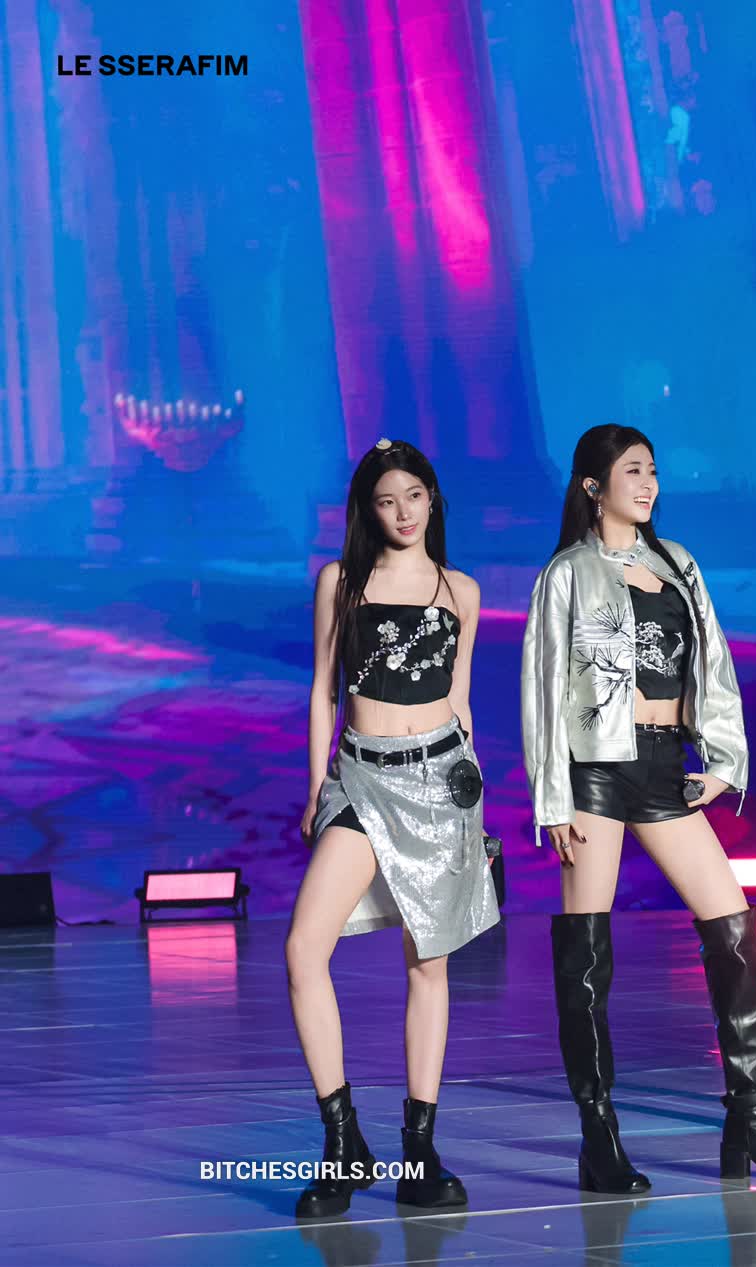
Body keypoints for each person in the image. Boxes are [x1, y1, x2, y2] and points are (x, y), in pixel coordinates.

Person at [523, 424, 756, 1190]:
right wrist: (552, 797)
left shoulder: (677, 562)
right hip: (595, 769)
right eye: (633, 471)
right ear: (593, 485)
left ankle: (753, 1117)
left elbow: (714, 662)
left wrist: (723, 759)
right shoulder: (568, 572)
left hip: (664, 766)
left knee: (735, 926)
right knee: (587, 955)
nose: (649, 483)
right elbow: (542, 689)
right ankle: (599, 1136)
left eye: (653, 470)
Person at [287, 439, 497, 1218]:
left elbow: (460, 700)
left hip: (439, 782)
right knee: (304, 948)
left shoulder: (461, 590)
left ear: (433, 498)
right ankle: (343, 1140)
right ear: (367, 510)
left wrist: (476, 807)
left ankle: (418, 1151)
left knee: (427, 965)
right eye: (387, 500)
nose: (403, 511)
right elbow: (323, 689)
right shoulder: (340, 582)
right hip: (359, 777)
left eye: (414, 495)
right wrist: (317, 786)